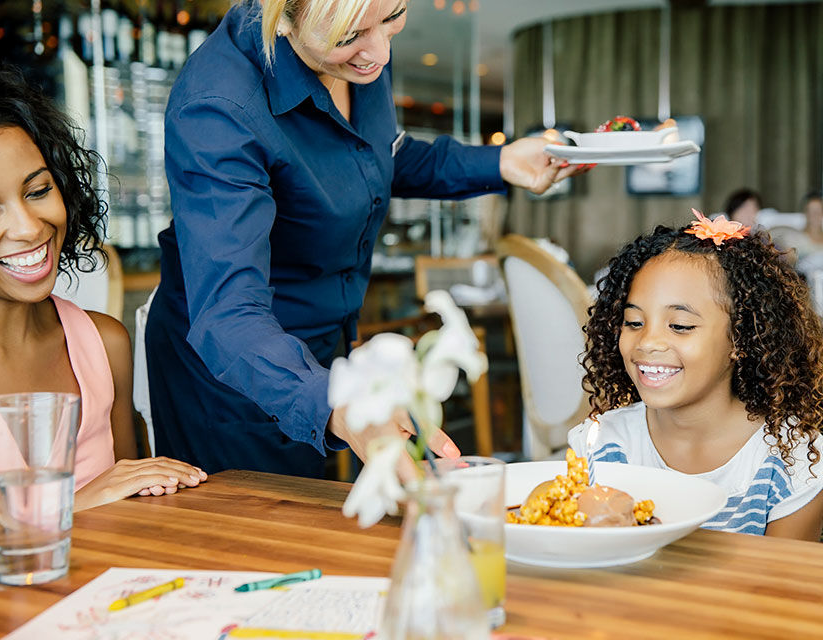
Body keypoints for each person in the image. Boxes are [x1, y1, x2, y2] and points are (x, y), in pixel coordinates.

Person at [147, 0, 587, 478]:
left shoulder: (364, 50)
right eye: (347, 37)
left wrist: (501, 162)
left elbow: (376, 155)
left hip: (326, 353)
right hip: (239, 375)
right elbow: (229, 315)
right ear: (284, 13)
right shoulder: (219, 108)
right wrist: (337, 405)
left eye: (394, 17)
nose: (377, 53)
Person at [0, 63, 207, 511]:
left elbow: (131, 510)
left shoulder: (104, 346)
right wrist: (77, 503)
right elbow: (100, 496)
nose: (30, 228)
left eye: (37, 191)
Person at [569, 210, 823, 540]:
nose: (647, 342)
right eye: (634, 322)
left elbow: (784, 589)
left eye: (680, 326)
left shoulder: (791, 464)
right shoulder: (602, 447)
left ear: (742, 338)